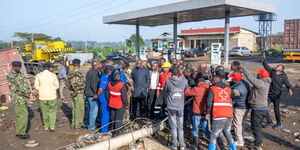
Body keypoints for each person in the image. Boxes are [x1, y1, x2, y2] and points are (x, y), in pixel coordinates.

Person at [239, 65, 271, 150]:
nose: (257, 75)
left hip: (258, 109)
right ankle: (259, 141)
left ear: (262, 76)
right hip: (261, 108)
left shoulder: (261, 83)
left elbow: (250, 78)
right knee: (257, 126)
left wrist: (243, 68)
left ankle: (257, 145)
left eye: (259, 74)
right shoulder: (265, 82)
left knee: (255, 127)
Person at [206, 71, 236, 150]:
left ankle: (211, 148)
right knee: (227, 132)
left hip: (218, 114)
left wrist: (207, 112)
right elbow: (233, 95)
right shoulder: (228, 88)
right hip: (229, 114)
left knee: (213, 134)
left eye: (212, 81)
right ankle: (233, 148)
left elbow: (209, 102)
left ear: (215, 81)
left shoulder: (213, 88)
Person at [262, 54, 293, 129]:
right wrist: (264, 58)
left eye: (278, 66)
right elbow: (266, 65)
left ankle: (279, 124)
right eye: (277, 65)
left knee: (276, 109)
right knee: (263, 107)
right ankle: (269, 121)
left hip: (277, 95)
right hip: (269, 94)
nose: (276, 66)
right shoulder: (272, 72)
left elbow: (287, 84)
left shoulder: (283, 76)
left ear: (281, 69)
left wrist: (289, 89)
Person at [164, 67, 189, 150]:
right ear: (179, 73)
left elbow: (166, 90)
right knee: (180, 126)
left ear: (171, 73)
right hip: (180, 106)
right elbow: (187, 89)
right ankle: (182, 145)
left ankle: (174, 144)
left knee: (173, 126)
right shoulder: (184, 80)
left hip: (171, 106)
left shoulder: (168, 81)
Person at [184, 78, 210, 150]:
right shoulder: (209, 89)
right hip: (205, 113)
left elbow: (186, 92)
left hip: (197, 112)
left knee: (195, 129)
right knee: (205, 129)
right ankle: (213, 142)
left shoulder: (197, 89)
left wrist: (190, 87)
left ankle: (194, 146)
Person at [7, 61, 31, 139]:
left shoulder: (20, 73)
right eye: (18, 67)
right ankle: (21, 133)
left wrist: (28, 91)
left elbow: (25, 83)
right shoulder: (11, 76)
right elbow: (15, 88)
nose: (19, 68)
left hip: (23, 99)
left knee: (20, 115)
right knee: (23, 115)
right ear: (13, 67)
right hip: (18, 99)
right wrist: (25, 94)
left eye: (20, 67)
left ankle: (19, 131)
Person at [34, 63, 59, 132]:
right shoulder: (53, 75)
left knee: (44, 112)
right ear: (49, 68)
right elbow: (57, 86)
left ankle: (46, 126)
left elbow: (36, 86)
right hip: (52, 96)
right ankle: (52, 126)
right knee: (52, 112)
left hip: (42, 96)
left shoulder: (38, 75)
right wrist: (52, 89)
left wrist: (41, 89)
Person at [229, 72, 249, 147]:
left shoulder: (238, 89)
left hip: (240, 107)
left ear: (235, 80)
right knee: (241, 123)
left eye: (232, 78)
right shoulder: (244, 82)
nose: (231, 79)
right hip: (245, 105)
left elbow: (231, 95)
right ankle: (241, 137)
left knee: (237, 124)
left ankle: (240, 141)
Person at [107, 69, 128, 136]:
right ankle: (117, 133)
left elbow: (107, 94)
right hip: (119, 105)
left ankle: (113, 131)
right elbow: (124, 97)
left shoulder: (109, 83)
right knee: (119, 119)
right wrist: (126, 104)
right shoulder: (121, 85)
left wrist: (110, 100)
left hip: (112, 104)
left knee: (113, 118)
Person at [68, 59, 85, 129]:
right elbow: (75, 84)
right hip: (78, 93)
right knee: (79, 109)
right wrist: (75, 91)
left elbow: (68, 83)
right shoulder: (78, 73)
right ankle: (78, 125)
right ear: (79, 65)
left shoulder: (70, 72)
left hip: (72, 92)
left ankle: (74, 123)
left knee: (74, 109)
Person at [84, 61, 101, 131]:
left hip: (88, 93)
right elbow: (94, 85)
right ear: (96, 65)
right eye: (99, 64)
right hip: (92, 94)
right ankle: (91, 127)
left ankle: (89, 124)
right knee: (93, 111)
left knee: (90, 110)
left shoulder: (89, 71)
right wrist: (96, 94)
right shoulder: (95, 73)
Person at [98, 64, 114, 133]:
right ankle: (109, 127)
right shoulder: (112, 77)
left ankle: (104, 130)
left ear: (107, 69)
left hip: (104, 96)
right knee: (109, 113)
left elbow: (101, 89)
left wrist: (97, 95)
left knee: (105, 113)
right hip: (110, 96)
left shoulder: (105, 77)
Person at [119, 57, 133, 123]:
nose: (120, 64)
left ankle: (126, 121)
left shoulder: (127, 72)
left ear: (124, 64)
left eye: (121, 63)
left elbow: (131, 83)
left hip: (126, 93)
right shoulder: (120, 71)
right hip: (120, 93)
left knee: (126, 107)